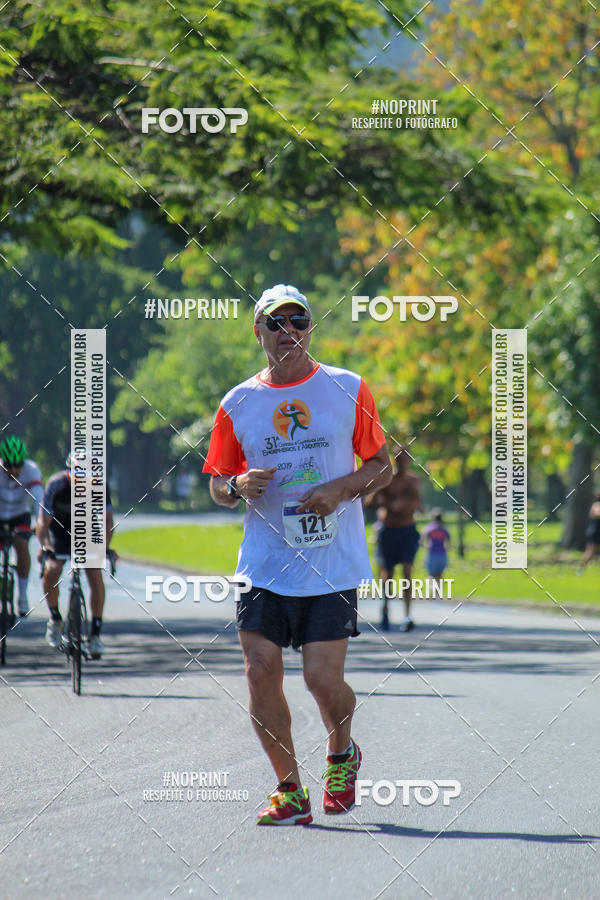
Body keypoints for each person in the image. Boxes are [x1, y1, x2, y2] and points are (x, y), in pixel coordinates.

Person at [203, 283, 391, 826]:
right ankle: (288, 788)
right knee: (260, 671)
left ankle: (341, 754)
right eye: (276, 323)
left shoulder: (347, 387)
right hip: (264, 564)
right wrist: (238, 484)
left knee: (320, 680)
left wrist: (341, 489)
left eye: (298, 322)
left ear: (311, 328)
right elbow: (216, 483)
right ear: (257, 331)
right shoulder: (238, 402)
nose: (288, 333)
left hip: (331, 562)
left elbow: (383, 466)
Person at [36, 453, 114, 658]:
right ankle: (55, 619)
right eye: (77, 476)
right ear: (68, 472)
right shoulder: (56, 484)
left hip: (87, 530)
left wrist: (104, 547)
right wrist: (45, 546)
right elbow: (42, 523)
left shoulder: (100, 485)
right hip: (59, 531)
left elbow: (107, 521)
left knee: (94, 574)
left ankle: (95, 635)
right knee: (51, 570)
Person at [366, 448, 423, 631]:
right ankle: (385, 608)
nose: (403, 463)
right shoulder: (386, 479)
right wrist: (387, 504)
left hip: (407, 530)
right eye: (399, 459)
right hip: (388, 530)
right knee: (387, 574)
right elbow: (369, 503)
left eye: (406, 459)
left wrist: (411, 504)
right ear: (395, 461)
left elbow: (419, 503)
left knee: (407, 571)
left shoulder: (414, 480)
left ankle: (407, 615)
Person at [0, 435, 43, 616]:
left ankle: (23, 595)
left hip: (20, 515)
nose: (14, 470)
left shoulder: (31, 470)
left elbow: (39, 502)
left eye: (18, 465)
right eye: (9, 465)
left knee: (21, 543)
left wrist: (39, 523)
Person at [421, 508, 451, 595]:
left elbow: (422, 541)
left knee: (431, 575)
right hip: (442, 555)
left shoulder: (429, 528)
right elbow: (448, 544)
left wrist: (427, 546)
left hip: (432, 555)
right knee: (439, 575)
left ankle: (432, 592)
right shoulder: (444, 529)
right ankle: (437, 594)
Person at [581, 492, 600, 568]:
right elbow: (598, 513)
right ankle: (581, 568)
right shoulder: (597, 504)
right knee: (591, 552)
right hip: (595, 532)